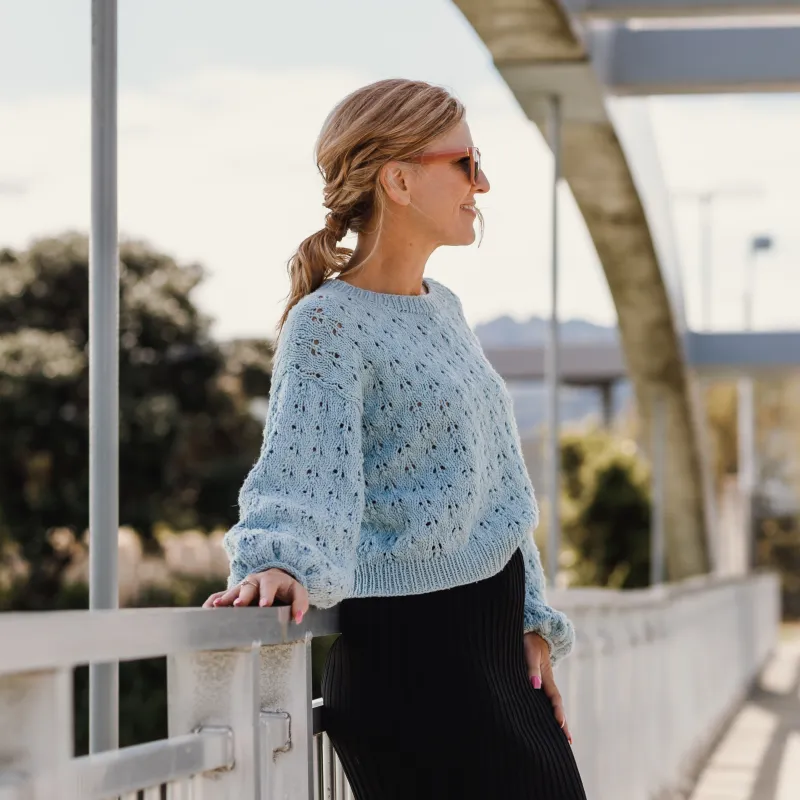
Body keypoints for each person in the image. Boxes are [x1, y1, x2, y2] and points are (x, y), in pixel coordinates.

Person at [203, 78, 586, 799]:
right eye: (465, 163)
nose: (484, 183)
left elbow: (500, 492)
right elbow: (302, 473)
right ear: (400, 179)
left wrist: (531, 622)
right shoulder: (327, 325)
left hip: (498, 659)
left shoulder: (446, 311)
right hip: (415, 670)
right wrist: (279, 560)